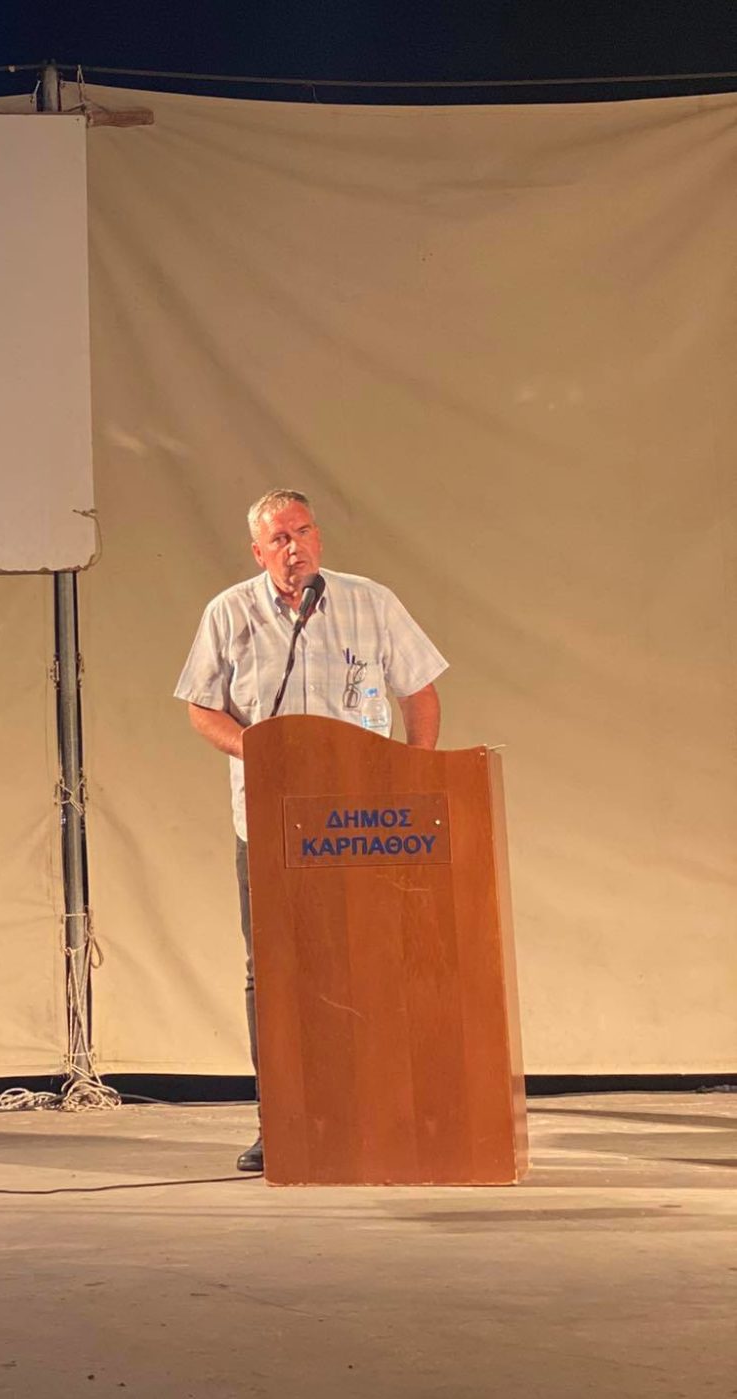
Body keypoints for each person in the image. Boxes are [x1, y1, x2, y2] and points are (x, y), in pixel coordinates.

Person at [174, 489, 447, 1173]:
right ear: (258, 553)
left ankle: (382, 1113)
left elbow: (419, 691)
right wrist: (257, 751)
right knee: (274, 970)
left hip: (363, 822)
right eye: (279, 538)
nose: (294, 547)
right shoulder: (229, 612)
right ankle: (283, 1120)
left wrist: (414, 773)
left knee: (372, 958)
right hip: (269, 821)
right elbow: (202, 708)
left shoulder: (370, 603)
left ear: (319, 538)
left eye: (303, 532)